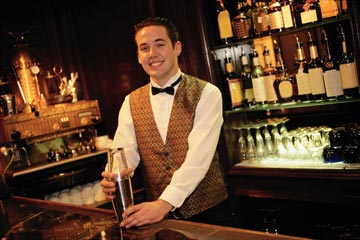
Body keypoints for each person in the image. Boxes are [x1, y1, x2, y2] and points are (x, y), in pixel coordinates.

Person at [100, 17, 238, 229]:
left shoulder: (208, 93)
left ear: (177, 47)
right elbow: (123, 155)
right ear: (138, 57)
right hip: (160, 220)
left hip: (209, 214)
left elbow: (198, 161)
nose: (152, 54)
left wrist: (163, 204)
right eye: (144, 48)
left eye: (159, 44)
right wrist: (113, 176)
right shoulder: (131, 102)